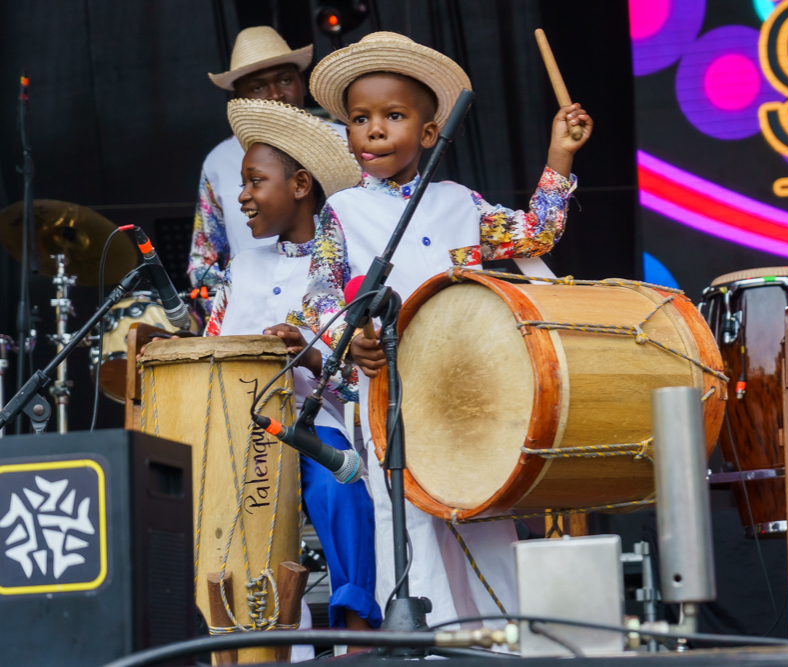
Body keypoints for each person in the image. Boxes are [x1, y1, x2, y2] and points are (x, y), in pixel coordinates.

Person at [299, 32, 592, 626]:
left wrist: (560, 155)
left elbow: (532, 235)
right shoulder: (342, 212)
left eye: (393, 116)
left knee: (482, 520)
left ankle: (502, 636)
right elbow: (317, 310)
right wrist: (350, 342)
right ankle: (424, 639)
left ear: (431, 133)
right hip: (392, 396)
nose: (373, 130)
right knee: (409, 526)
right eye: (359, 119)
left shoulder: (461, 202)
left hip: (467, 393)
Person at [205, 97, 383, 635]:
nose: (242, 196)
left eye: (255, 182)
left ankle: (357, 626)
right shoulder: (241, 266)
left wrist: (304, 349)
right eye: (242, 183)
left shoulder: (344, 266)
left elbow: (360, 377)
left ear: (301, 186)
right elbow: (209, 342)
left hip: (312, 425)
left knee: (340, 484)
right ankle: (249, 632)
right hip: (238, 432)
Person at [189, 26, 345, 289]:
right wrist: (234, 305)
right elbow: (203, 260)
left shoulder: (347, 141)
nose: (275, 94)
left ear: (301, 83)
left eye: (285, 80)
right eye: (258, 86)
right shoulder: (219, 161)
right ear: (238, 98)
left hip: (335, 309)